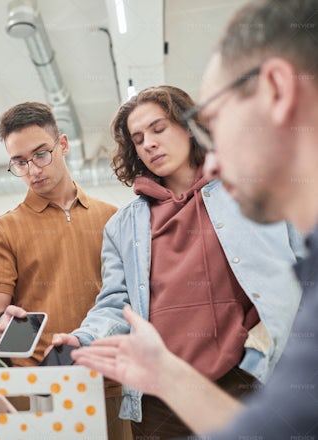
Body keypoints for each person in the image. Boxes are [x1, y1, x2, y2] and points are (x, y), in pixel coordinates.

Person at [72, 0, 318, 437]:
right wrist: (84, 338)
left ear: (190, 126)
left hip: (248, 373)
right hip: (160, 389)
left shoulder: (248, 193)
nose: (149, 143)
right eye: (138, 137)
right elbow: (115, 303)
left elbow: (294, 272)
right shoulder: (124, 225)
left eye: (160, 127)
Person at [0, 102, 131, 439]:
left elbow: (127, 302)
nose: (32, 170)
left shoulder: (112, 219)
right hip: (37, 386)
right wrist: (4, 320)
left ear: (62, 144)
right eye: (19, 162)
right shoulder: (5, 229)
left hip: (107, 383)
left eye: (41, 154)